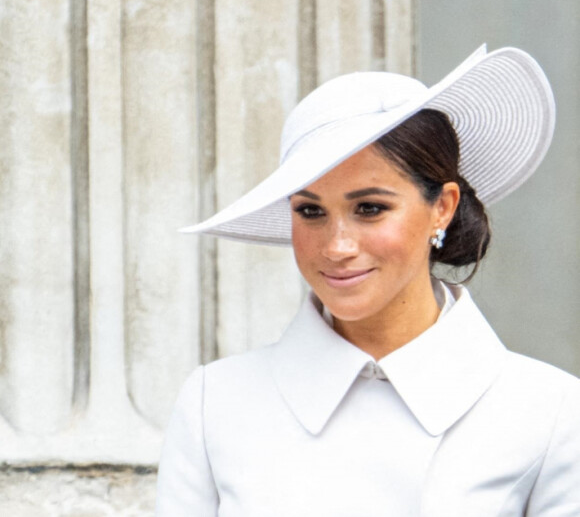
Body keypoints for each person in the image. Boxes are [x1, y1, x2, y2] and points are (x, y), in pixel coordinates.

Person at [155, 46, 580, 516]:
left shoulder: (547, 411)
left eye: (370, 208)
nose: (337, 247)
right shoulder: (216, 404)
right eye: (310, 211)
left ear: (443, 205)